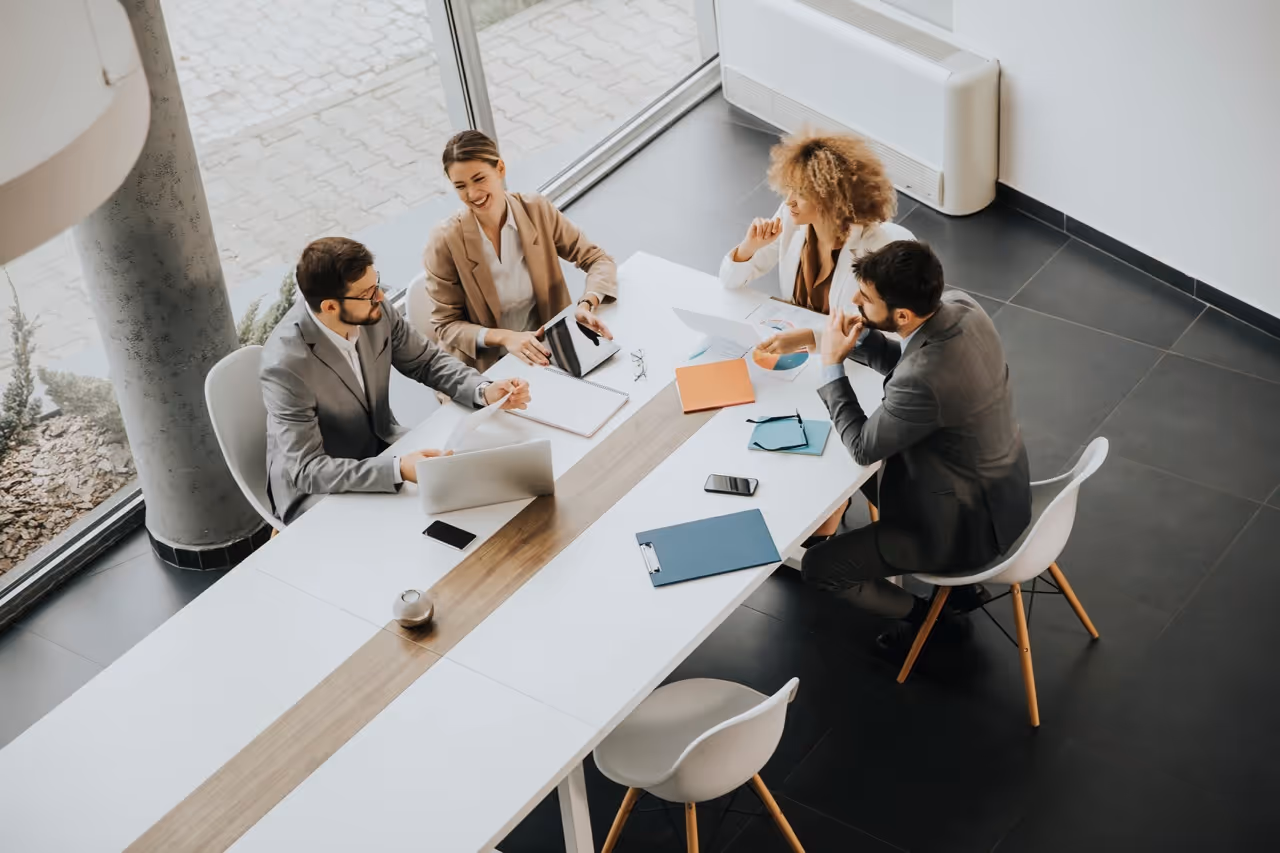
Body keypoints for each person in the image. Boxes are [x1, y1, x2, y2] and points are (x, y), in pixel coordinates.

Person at [802, 240, 1032, 650]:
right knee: (854, 477)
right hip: (1003, 495)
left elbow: (861, 446)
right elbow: (912, 360)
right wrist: (854, 342)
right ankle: (957, 596)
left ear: (902, 314)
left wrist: (831, 366)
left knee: (820, 567)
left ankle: (930, 619)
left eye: (866, 298)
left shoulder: (923, 380)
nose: (855, 300)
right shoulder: (962, 307)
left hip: (961, 532)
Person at [261, 237, 530, 523]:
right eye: (367, 293)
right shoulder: (285, 365)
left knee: (477, 495)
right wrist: (397, 469)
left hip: (382, 447)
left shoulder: (375, 309)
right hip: (319, 489)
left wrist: (484, 391)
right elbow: (308, 470)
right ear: (329, 307)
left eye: (376, 283)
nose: (380, 297)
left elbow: (426, 361)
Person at [421, 130, 618, 372]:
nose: (472, 194)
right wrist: (505, 337)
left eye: (479, 179)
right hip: (485, 365)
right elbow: (446, 325)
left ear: (500, 169)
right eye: (460, 186)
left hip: (547, 351)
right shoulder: (444, 240)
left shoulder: (536, 210)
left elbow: (597, 259)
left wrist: (587, 303)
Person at [720, 131, 913, 356]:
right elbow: (730, 281)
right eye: (789, 187)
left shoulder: (878, 249)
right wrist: (749, 247)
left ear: (831, 198)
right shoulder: (790, 218)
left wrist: (810, 339)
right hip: (794, 346)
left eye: (800, 192)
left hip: (844, 357)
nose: (789, 200)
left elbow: (877, 333)